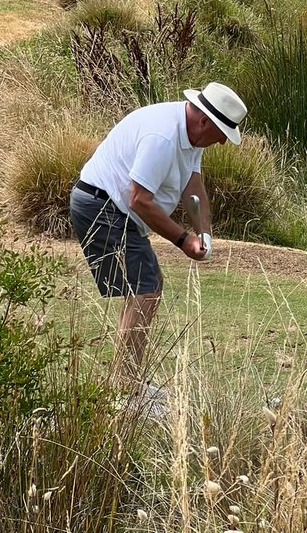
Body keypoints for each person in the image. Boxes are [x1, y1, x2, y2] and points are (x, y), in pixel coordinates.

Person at [69, 81, 247, 392]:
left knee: (148, 287)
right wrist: (182, 240)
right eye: (222, 134)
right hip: (100, 205)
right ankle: (124, 388)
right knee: (145, 290)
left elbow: (193, 190)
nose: (220, 143)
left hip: (114, 208)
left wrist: (204, 233)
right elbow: (139, 199)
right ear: (205, 121)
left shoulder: (192, 137)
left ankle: (125, 382)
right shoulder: (163, 137)